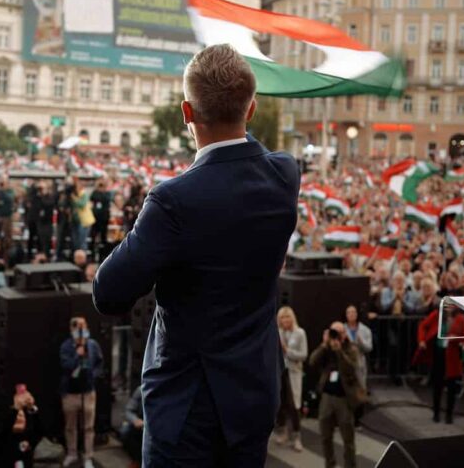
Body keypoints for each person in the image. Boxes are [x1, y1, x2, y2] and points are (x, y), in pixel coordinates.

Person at [94, 45, 299, 466]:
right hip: (253, 399)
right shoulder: (284, 174)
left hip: (186, 415)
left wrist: (146, 223)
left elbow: (108, 294)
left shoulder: (173, 200)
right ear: (252, 109)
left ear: (186, 113)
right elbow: (249, 151)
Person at [308, 322, 365, 468]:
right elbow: (312, 361)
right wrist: (323, 345)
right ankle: (330, 464)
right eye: (334, 332)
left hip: (344, 399)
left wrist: (339, 351)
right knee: (325, 436)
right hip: (327, 397)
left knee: (348, 439)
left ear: (344, 334)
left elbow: (351, 368)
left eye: (339, 332)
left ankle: (350, 466)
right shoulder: (326, 348)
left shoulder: (351, 348)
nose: (336, 336)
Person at [59, 316, 103, 468]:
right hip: (70, 393)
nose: (81, 331)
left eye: (84, 327)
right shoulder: (66, 347)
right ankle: (71, 453)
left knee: (88, 427)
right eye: (78, 328)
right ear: (72, 330)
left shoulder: (93, 345)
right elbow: (66, 366)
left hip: (88, 392)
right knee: (71, 427)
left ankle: (88, 457)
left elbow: (99, 362)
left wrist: (94, 374)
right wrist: (77, 354)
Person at [415, 307, 464, 423]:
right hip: (438, 354)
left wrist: (457, 339)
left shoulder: (460, 318)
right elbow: (423, 325)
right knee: (437, 385)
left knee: (452, 387)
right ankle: (436, 413)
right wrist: (422, 340)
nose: (450, 306)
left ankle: (449, 414)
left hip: (452, 356)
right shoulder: (437, 315)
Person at [275, 306, 307, 452]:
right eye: (282, 317)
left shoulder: (300, 333)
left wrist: (287, 350)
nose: (285, 320)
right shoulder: (278, 333)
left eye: (287, 317)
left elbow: (303, 355)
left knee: (294, 406)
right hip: (280, 372)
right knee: (281, 404)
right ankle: (283, 432)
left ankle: (297, 437)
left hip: (293, 372)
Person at [0, 385, 43, 468]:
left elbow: (39, 432)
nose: (20, 416)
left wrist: (32, 408)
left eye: (22, 414)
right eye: (18, 415)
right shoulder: (1, 436)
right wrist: (15, 410)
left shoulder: (27, 438)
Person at [344, 304, 373, 392]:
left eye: (353, 312)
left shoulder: (365, 330)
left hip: (360, 361)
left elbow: (369, 348)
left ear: (357, 314)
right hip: (346, 361)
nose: (351, 314)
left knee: (361, 387)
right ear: (346, 315)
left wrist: (361, 342)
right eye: (349, 312)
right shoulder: (342, 329)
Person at [120, 386, 144, 468]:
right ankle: (137, 460)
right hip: (142, 424)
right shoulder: (141, 390)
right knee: (125, 432)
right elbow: (128, 410)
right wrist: (135, 420)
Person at [70, 181, 94, 252]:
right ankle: (77, 256)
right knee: (76, 240)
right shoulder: (75, 195)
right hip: (76, 220)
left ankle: (83, 257)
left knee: (82, 240)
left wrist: (74, 198)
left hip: (84, 221)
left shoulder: (84, 194)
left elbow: (82, 204)